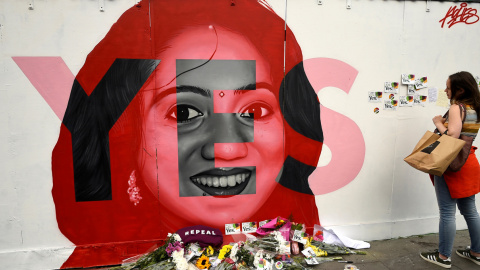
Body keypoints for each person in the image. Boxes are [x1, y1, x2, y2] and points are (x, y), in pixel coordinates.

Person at [51, 0, 324, 268]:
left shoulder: (293, 247)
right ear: (125, 134)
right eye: (184, 113)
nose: (227, 149)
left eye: (254, 111)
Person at [420, 71, 480, 269]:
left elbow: (452, 135)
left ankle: (443, 257)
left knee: (447, 211)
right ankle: (476, 252)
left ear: (460, 89)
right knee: (470, 211)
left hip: (451, 164)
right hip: (468, 162)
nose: (446, 91)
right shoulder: (474, 107)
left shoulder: (457, 107)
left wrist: (438, 123)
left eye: (448, 87)